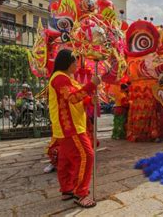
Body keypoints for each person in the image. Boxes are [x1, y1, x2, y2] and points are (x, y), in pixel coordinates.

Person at [49, 49, 100, 208]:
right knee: (87, 155)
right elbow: (72, 98)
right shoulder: (60, 79)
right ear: (69, 63)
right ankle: (81, 193)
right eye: (75, 62)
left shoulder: (65, 79)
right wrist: (92, 85)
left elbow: (77, 101)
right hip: (69, 126)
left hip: (68, 125)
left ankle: (67, 189)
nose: (77, 65)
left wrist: (90, 101)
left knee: (66, 160)